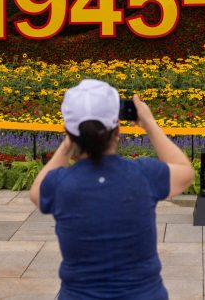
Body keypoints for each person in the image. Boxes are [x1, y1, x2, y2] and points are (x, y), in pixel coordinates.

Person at [29, 79, 195, 300]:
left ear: (69, 132)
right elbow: (185, 171)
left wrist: (68, 142)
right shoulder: (144, 175)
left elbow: (36, 191)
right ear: (117, 130)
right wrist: (149, 124)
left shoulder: (60, 184)